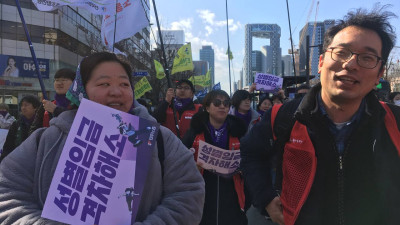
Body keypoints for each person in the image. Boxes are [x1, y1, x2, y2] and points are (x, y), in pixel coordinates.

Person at [0, 52, 205, 224]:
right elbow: (7, 192)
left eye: (124, 84)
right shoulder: (46, 139)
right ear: (82, 90)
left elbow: (188, 194)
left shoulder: (160, 139)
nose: (116, 92)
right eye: (104, 83)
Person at [240, 6, 400, 225]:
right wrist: (265, 197)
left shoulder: (395, 121)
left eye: (367, 58)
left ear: (379, 74)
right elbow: (250, 154)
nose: (350, 64)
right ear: (322, 61)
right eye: (342, 52)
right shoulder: (284, 116)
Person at [182, 90, 248, 225]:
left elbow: (251, 160)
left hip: (233, 194)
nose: (222, 106)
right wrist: (192, 166)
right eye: (217, 103)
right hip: (202, 193)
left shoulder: (240, 132)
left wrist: (243, 168)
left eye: (226, 103)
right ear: (207, 107)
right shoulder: (195, 132)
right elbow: (181, 160)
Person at [30, 68, 75, 134]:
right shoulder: (45, 106)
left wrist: (55, 110)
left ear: (74, 83)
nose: (59, 83)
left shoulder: (78, 105)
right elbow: (33, 132)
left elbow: (74, 123)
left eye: (64, 80)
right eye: (56, 80)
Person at [0, 95, 40, 162]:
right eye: (22, 105)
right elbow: (8, 146)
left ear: (35, 107)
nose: (23, 108)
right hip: (18, 161)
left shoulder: (41, 123)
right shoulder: (16, 124)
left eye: (26, 105)